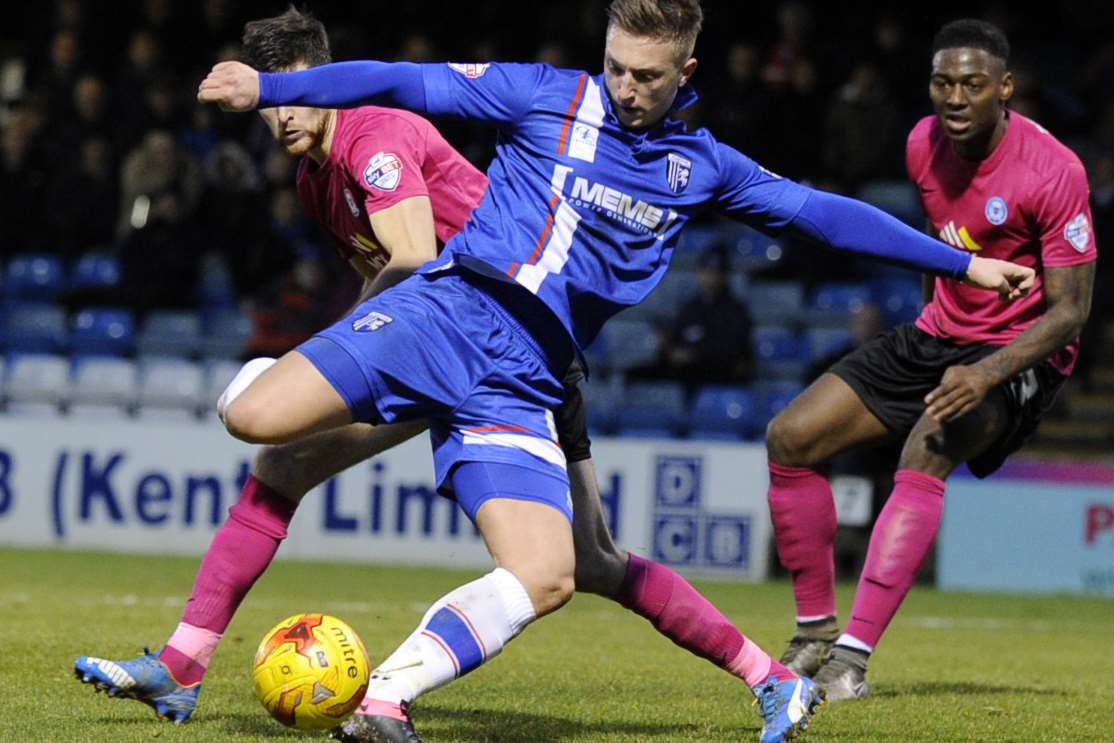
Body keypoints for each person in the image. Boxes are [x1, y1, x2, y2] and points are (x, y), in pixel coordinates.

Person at [195, 1, 1034, 740]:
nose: (627, 88)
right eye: (617, 68)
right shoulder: (542, 95)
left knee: (551, 571)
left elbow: (823, 215)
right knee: (252, 420)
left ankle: (385, 699)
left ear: (686, 72)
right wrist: (264, 91)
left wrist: (960, 267)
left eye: (648, 76)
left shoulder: (701, 167)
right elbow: (407, 82)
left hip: (525, 378)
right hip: (444, 316)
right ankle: (192, 649)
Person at [74, 9, 824, 743]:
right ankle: (183, 663)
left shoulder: (377, 139)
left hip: (508, 342)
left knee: (584, 561)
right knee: (287, 464)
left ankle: (770, 676)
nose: (283, 115)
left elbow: (407, 255)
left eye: (303, 91)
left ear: (331, 82)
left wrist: (338, 346)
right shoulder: (315, 176)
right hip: (449, 345)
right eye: (273, 100)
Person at [765, 19, 1096, 702]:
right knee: (790, 438)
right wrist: (927, 324)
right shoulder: (922, 142)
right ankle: (815, 630)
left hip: (1017, 352)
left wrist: (985, 372)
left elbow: (1071, 310)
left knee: (925, 448)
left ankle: (850, 662)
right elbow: (935, 242)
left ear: (1004, 88)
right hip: (937, 333)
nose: (955, 97)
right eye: (943, 83)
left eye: (973, 84)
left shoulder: (1055, 169)